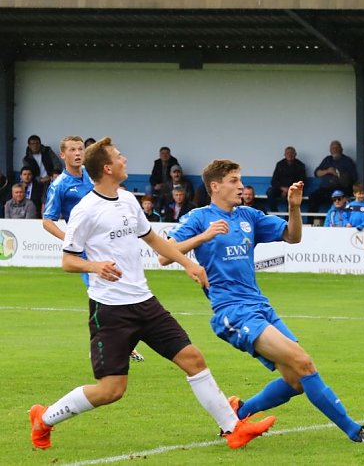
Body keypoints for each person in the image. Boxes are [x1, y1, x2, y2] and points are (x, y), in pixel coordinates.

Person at [28, 138, 275, 451]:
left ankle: (232, 429)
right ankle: (44, 418)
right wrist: (96, 266)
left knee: (193, 359)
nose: (125, 159)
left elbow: (154, 240)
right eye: (119, 157)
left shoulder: (129, 200)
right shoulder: (86, 210)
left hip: (145, 302)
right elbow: (68, 260)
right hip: (111, 310)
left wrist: (188, 264)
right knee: (112, 390)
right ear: (107, 168)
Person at [163, 158, 364, 443]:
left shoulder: (248, 216)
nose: (241, 186)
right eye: (234, 181)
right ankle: (355, 431)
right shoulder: (199, 218)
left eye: (240, 179)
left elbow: (292, 236)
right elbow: (165, 253)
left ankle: (239, 413)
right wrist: (204, 236)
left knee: (296, 381)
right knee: (304, 363)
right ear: (215, 186)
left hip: (260, 307)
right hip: (232, 312)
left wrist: (294, 207)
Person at [42, 136, 95, 287]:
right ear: (63, 155)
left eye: (80, 149)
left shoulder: (93, 173)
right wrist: (69, 239)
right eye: (72, 150)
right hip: (85, 245)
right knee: (98, 292)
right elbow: (47, 222)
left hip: (107, 238)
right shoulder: (59, 185)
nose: (78, 153)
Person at [307, 140, 358, 213]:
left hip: (341, 189)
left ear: (341, 149)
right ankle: (312, 222)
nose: (335, 150)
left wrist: (338, 174)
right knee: (313, 197)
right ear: (330, 150)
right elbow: (316, 173)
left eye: (337, 148)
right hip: (325, 189)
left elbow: (353, 178)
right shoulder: (327, 160)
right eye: (333, 148)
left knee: (338, 197)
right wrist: (327, 171)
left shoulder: (347, 161)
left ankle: (338, 221)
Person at [266, 146, 306, 212]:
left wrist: (289, 189)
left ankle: (288, 217)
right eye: (287, 153)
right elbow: (274, 181)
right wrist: (283, 189)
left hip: (294, 189)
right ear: (284, 155)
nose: (290, 155)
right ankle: (275, 213)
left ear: (295, 154)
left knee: (293, 196)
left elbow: (302, 181)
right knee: (270, 192)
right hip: (280, 189)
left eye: (291, 153)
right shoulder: (279, 164)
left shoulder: (300, 165)